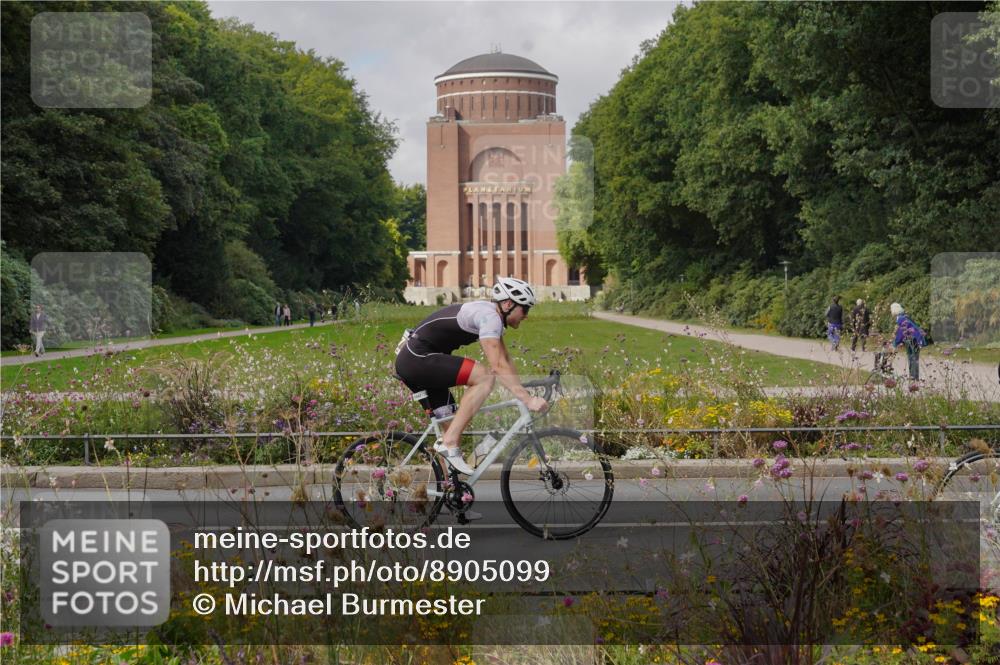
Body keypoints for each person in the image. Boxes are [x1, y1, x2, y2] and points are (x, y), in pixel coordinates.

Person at [394, 277, 548, 476]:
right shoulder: (490, 317)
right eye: (525, 309)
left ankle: (450, 489)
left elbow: (505, 360)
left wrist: (523, 390)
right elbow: (497, 366)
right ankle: (449, 442)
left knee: (451, 425)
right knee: (484, 377)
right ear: (508, 304)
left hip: (419, 361)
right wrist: (527, 399)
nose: (526, 316)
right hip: (417, 359)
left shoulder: (492, 316)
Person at [891, 302, 927, 381]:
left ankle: (914, 377)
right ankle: (913, 376)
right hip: (910, 339)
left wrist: (895, 344)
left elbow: (900, 333)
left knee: (913, 358)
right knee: (912, 357)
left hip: (914, 339)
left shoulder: (901, 319)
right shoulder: (904, 317)